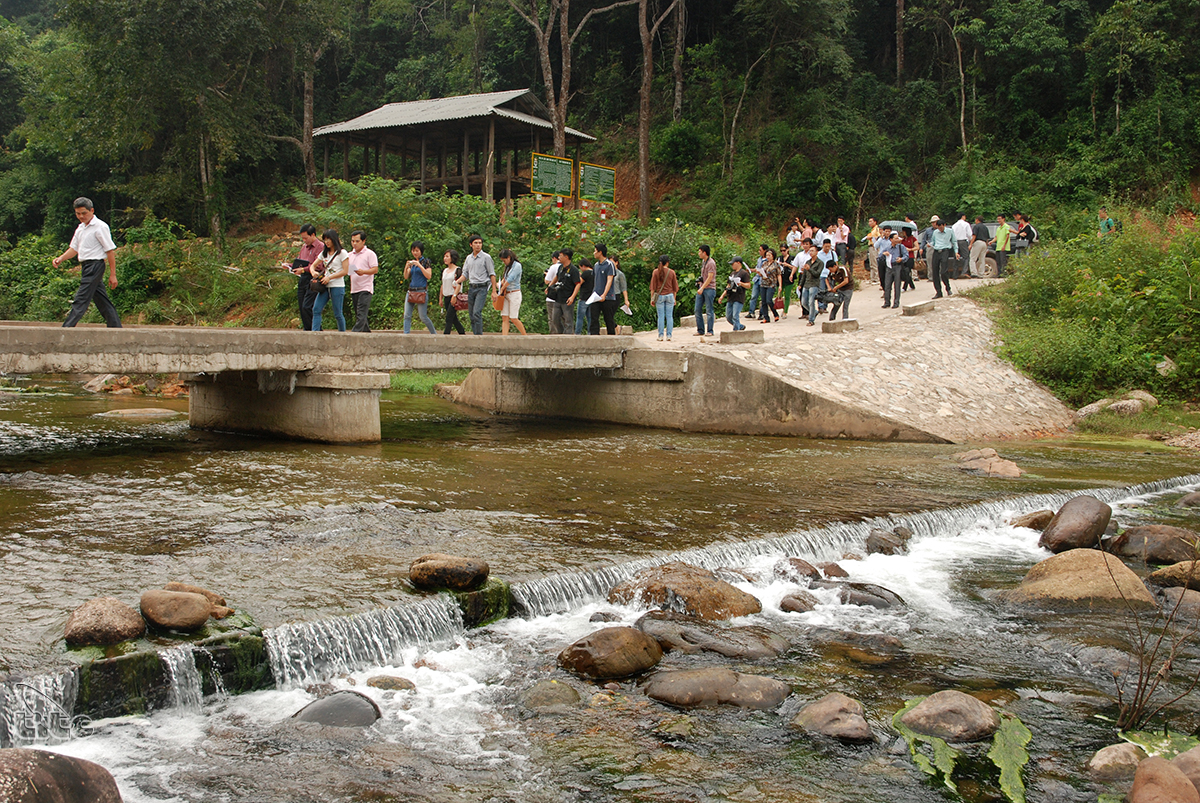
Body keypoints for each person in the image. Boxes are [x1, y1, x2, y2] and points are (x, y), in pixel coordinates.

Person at [54, 197, 122, 328]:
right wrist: (61, 258)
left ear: (92, 211)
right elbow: (74, 249)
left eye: (84, 213)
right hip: (86, 266)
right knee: (102, 300)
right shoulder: (80, 228)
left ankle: (66, 328)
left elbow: (110, 251)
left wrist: (113, 274)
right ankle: (115, 327)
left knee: (81, 298)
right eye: (78, 213)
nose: (81, 216)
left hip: (95, 265)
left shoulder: (100, 227)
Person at [281, 223, 322, 330]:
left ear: (313, 235)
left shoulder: (320, 247)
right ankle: (307, 328)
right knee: (301, 306)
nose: (304, 240)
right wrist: (290, 266)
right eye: (302, 238)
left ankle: (316, 329)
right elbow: (299, 261)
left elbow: (319, 265)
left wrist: (304, 269)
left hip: (313, 278)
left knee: (308, 306)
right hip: (302, 278)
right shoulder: (304, 247)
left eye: (306, 238)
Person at [310, 229, 349, 331]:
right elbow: (312, 266)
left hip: (337, 285)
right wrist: (313, 272)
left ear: (334, 239)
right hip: (324, 286)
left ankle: (343, 334)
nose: (326, 242)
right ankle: (315, 333)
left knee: (337, 313)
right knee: (316, 309)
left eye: (328, 239)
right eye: (325, 240)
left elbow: (345, 271)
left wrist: (330, 277)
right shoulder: (324, 253)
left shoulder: (342, 253)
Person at [463, 233, 497, 335]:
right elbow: (465, 274)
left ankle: (479, 336)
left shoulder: (486, 257)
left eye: (480, 243)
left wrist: (494, 291)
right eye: (476, 243)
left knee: (476, 312)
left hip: (482, 287)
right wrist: (457, 281)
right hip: (471, 287)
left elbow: (492, 274)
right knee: (471, 315)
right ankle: (475, 335)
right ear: (471, 245)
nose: (478, 245)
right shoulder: (469, 258)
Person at [347, 230, 379, 332]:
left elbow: (375, 269)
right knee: (359, 314)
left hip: (365, 287)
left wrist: (364, 272)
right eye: (353, 241)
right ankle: (367, 334)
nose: (354, 244)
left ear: (363, 241)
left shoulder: (370, 254)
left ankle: (353, 335)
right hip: (354, 288)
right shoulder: (349, 255)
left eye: (357, 241)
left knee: (361, 313)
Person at [403, 240, 435, 334]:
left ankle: (434, 334)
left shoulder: (426, 261)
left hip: (421, 291)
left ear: (421, 251)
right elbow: (406, 276)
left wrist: (420, 266)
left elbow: (428, 276)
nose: (415, 252)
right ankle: (406, 334)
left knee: (423, 317)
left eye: (417, 250)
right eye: (413, 250)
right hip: (411, 291)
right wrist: (406, 266)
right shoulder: (412, 263)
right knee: (407, 315)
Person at [547, 248, 580, 334]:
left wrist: (572, 297)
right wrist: (550, 286)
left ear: (566, 257)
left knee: (568, 321)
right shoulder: (561, 267)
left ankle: (568, 338)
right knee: (555, 319)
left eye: (560, 256)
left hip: (567, 298)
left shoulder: (574, 270)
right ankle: (561, 334)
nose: (559, 257)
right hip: (558, 298)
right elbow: (557, 277)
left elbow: (578, 284)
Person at [589, 243, 619, 335]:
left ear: (600, 252)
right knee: (593, 318)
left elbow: (609, 281)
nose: (594, 253)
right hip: (596, 296)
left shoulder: (609, 265)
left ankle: (611, 338)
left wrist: (604, 294)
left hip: (608, 297)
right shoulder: (596, 265)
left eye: (595, 251)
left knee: (608, 319)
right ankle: (594, 337)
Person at [497, 248, 526, 335]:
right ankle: (504, 338)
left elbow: (510, 279)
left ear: (509, 257)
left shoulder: (517, 265)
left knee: (513, 318)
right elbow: (504, 279)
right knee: (504, 317)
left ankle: (525, 336)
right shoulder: (507, 267)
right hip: (506, 294)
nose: (504, 262)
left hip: (514, 293)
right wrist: (499, 285)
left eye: (504, 260)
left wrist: (502, 288)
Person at [650, 254, 678, 340]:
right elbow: (675, 288)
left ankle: (661, 335)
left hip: (660, 296)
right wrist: (674, 298)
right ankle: (669, 335)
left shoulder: (655, 272)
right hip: (670, 296)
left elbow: (653, 287)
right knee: (669, 316)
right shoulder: (672, 272)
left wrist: (652, 298)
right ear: (668, 262)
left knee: (661, 316)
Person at [720, 256, 751, 331]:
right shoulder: (732, 274)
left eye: (733, 264)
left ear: (738, 263)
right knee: (728, 316)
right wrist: (722, 295)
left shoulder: (744, 273)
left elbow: (748, 285)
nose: (732, 265)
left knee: (735, 315)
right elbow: (729, 285)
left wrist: (740, 283)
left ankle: (736, 331)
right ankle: (740, 326)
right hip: (731, 296)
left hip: (739, 297)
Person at [881, 231, 909, 308]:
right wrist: (884, 254)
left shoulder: (901, 247)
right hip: (889, 267)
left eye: (897, 238)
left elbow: (906, 256)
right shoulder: (887, 248)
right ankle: (887, 302)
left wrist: (901, 259)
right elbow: (880, 256)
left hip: (898, 267)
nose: (897, 240)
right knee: (887, 285)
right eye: (895, 238)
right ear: (891, 239)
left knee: (897, 285)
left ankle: (896, 302)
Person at [694, 244, 717, 336]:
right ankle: (700, 329)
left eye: (700, 251)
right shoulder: (704, 262)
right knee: (697, 309)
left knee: (709, 310)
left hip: (709, 288)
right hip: (702, 287)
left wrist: (702, 287)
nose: (699, 253)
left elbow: (710, 277)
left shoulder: (711, 263)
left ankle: (710, 330)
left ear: (704, 252)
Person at [441, 248, 465, 335]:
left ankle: (446, 335)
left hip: (454, 296)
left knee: (449, 318)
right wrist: (440, 298)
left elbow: (459, 284)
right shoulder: (444, 271)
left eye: (447, 256)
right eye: (444, 256)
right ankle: (462, 333)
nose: (445, 258)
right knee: (454, 319)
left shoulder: (457, 270)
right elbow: (443, 284)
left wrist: (454, 296)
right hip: (446, 296)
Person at [799, 248, 826, 326]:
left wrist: (809, 269)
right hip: (806, 284)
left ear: (817, 252)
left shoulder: (820, 263)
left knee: (811, 302)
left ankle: (811, 320)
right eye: (810, 251)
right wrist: (801, 284)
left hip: (814, 284)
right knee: (804, 302)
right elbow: (804, 274)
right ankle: (814, 312)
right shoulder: (808, 262)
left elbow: (817, 274)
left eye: (812, 251)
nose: (810, 252)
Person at [758, 247, 781, 323]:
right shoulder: (764, 264)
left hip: (771, 284)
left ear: (773, 256)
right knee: (763, 301)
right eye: (767, 255)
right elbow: (761, 272)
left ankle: (775, 314)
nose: (768, 257)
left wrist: (780, 285)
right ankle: (766, 317)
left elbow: (779, 275)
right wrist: (760, 273)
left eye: (769, 255)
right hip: (763, 283)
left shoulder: (776, 264)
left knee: (769, 300)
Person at [988, 214, 1012, 278]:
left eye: (999, 219)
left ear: (1003, 219)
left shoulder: (1006, 226)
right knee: (998, 261)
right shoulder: (998, 228)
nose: (998, 220)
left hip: (1003, 247)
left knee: (1003, 261)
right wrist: (992, 241)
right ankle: (999, 273)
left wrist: (1004, 245)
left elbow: (1007, 236)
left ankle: (1004, 273)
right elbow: (996, 237)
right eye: (998, 219)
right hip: (998, 247)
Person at [575, 258, 594, 334]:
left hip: (584, 298)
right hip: (592, 298)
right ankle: (590, 333)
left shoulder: (585, 273)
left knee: (580, 317)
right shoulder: (594, 272)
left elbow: (579, 282)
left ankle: (577, 333)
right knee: (590, 317)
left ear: (583, 266)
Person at [746, 244, 766, 317]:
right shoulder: (759, 259)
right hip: (757, 279)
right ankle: (751, 312)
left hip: (763, 280)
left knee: (763, 298)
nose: (759, 251)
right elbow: (757, 268)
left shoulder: (767, 260)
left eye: (760, 250)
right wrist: (751, 270)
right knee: (753, 296)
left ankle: (762, 313)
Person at [952, 214, 972, 279]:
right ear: (963, 216)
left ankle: (955, 274)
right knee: (966, 257)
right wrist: (969, 241)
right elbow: (969, 234)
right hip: (963, 241)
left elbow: (952, 235)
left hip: (956, 241)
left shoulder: (954, 225)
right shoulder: (966, 224)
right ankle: (964, 272)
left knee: (956, 257)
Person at [543, 250, 561, 323]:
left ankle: (553, 333)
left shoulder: (553, 267)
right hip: (564, 296)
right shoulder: (566, 267)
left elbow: (547, 281)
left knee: (552, 319)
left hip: (552, 296)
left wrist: (546, 275)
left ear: (554, 258)